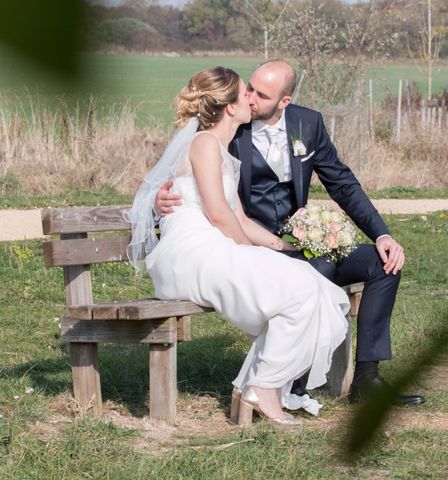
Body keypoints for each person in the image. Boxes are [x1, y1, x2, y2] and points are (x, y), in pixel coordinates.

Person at [155, 60, 425, 406]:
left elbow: (342, 184)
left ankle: (367, 379)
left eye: (262, 94)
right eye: (248, 88)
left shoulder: (306, 123)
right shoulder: (231, 125)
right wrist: (159, 202)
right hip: (254, 244)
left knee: (382, 263)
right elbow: (183, 171)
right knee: (317, 271)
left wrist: (382, 235)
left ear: (284, 102)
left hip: (300, 242)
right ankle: (288, 382)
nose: (250, 99)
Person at [128, 67, 350, 426]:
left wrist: (284, 248)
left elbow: (241, 219)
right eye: (245, 93)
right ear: (230, 107)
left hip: (214, 247)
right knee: (299, 291)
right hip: (191, 255)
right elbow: (217, 214)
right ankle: (263, 388)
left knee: (312, 286)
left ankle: (256, 387)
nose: (251, 98)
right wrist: (253, 252)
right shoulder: (203, 144)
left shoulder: (221, 149)